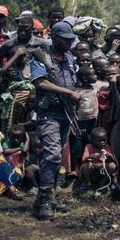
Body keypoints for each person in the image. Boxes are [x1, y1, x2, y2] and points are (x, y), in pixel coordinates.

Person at [28, 20, 83, 220]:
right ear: (55, 38)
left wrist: (72, 94)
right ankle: (43, 198)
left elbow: (72, 79)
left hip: (66, 112)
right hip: (49, 113)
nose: (69, 43)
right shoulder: (42, 58)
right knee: (51, 155)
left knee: (56, 155)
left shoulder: (69, 57)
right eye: (65, 40)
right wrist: (68, 91)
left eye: (70, 40)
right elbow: (40, 82)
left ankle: (48, 196)